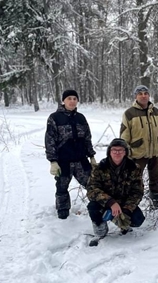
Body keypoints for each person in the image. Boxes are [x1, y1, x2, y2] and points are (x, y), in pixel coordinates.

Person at [45, 89, 97, 219]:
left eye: (75, 98)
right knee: (61, 187)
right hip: (63, 161)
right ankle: (63, 213)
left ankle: (97, 207)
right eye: (69, 99)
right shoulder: (54, 118)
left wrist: (91, 156)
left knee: (92, 184)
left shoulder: (81, 118)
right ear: (64, 101)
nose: (72, 101)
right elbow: (50, 140)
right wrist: (53, 161)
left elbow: (87, 138)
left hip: (81, 160)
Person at [120, 85, 158, 208]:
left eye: (145, 93)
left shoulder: (156, 112)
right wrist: (124, 153)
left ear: (149, 95)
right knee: (135, 180)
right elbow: (124, 136)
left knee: (155, 179)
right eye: (140, 94)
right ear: (136, 96)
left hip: (155, 152)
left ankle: (155, 203)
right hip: (137, 154)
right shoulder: (129, 113)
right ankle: (133, 205)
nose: (143, 96)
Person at [86, 138, 145, 238]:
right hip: (105, 202)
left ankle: (123, 224)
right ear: (109, 152)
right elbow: (92, 190)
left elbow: (137, 191)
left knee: (138, 220)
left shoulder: (134, 168)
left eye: (120, 150)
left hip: (124, 202)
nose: (117, 153)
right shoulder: (100, 167)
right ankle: (100, 228)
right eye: (114, 150)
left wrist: (127, 209)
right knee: (93, 207)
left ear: (125, 152)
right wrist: (111, 202)